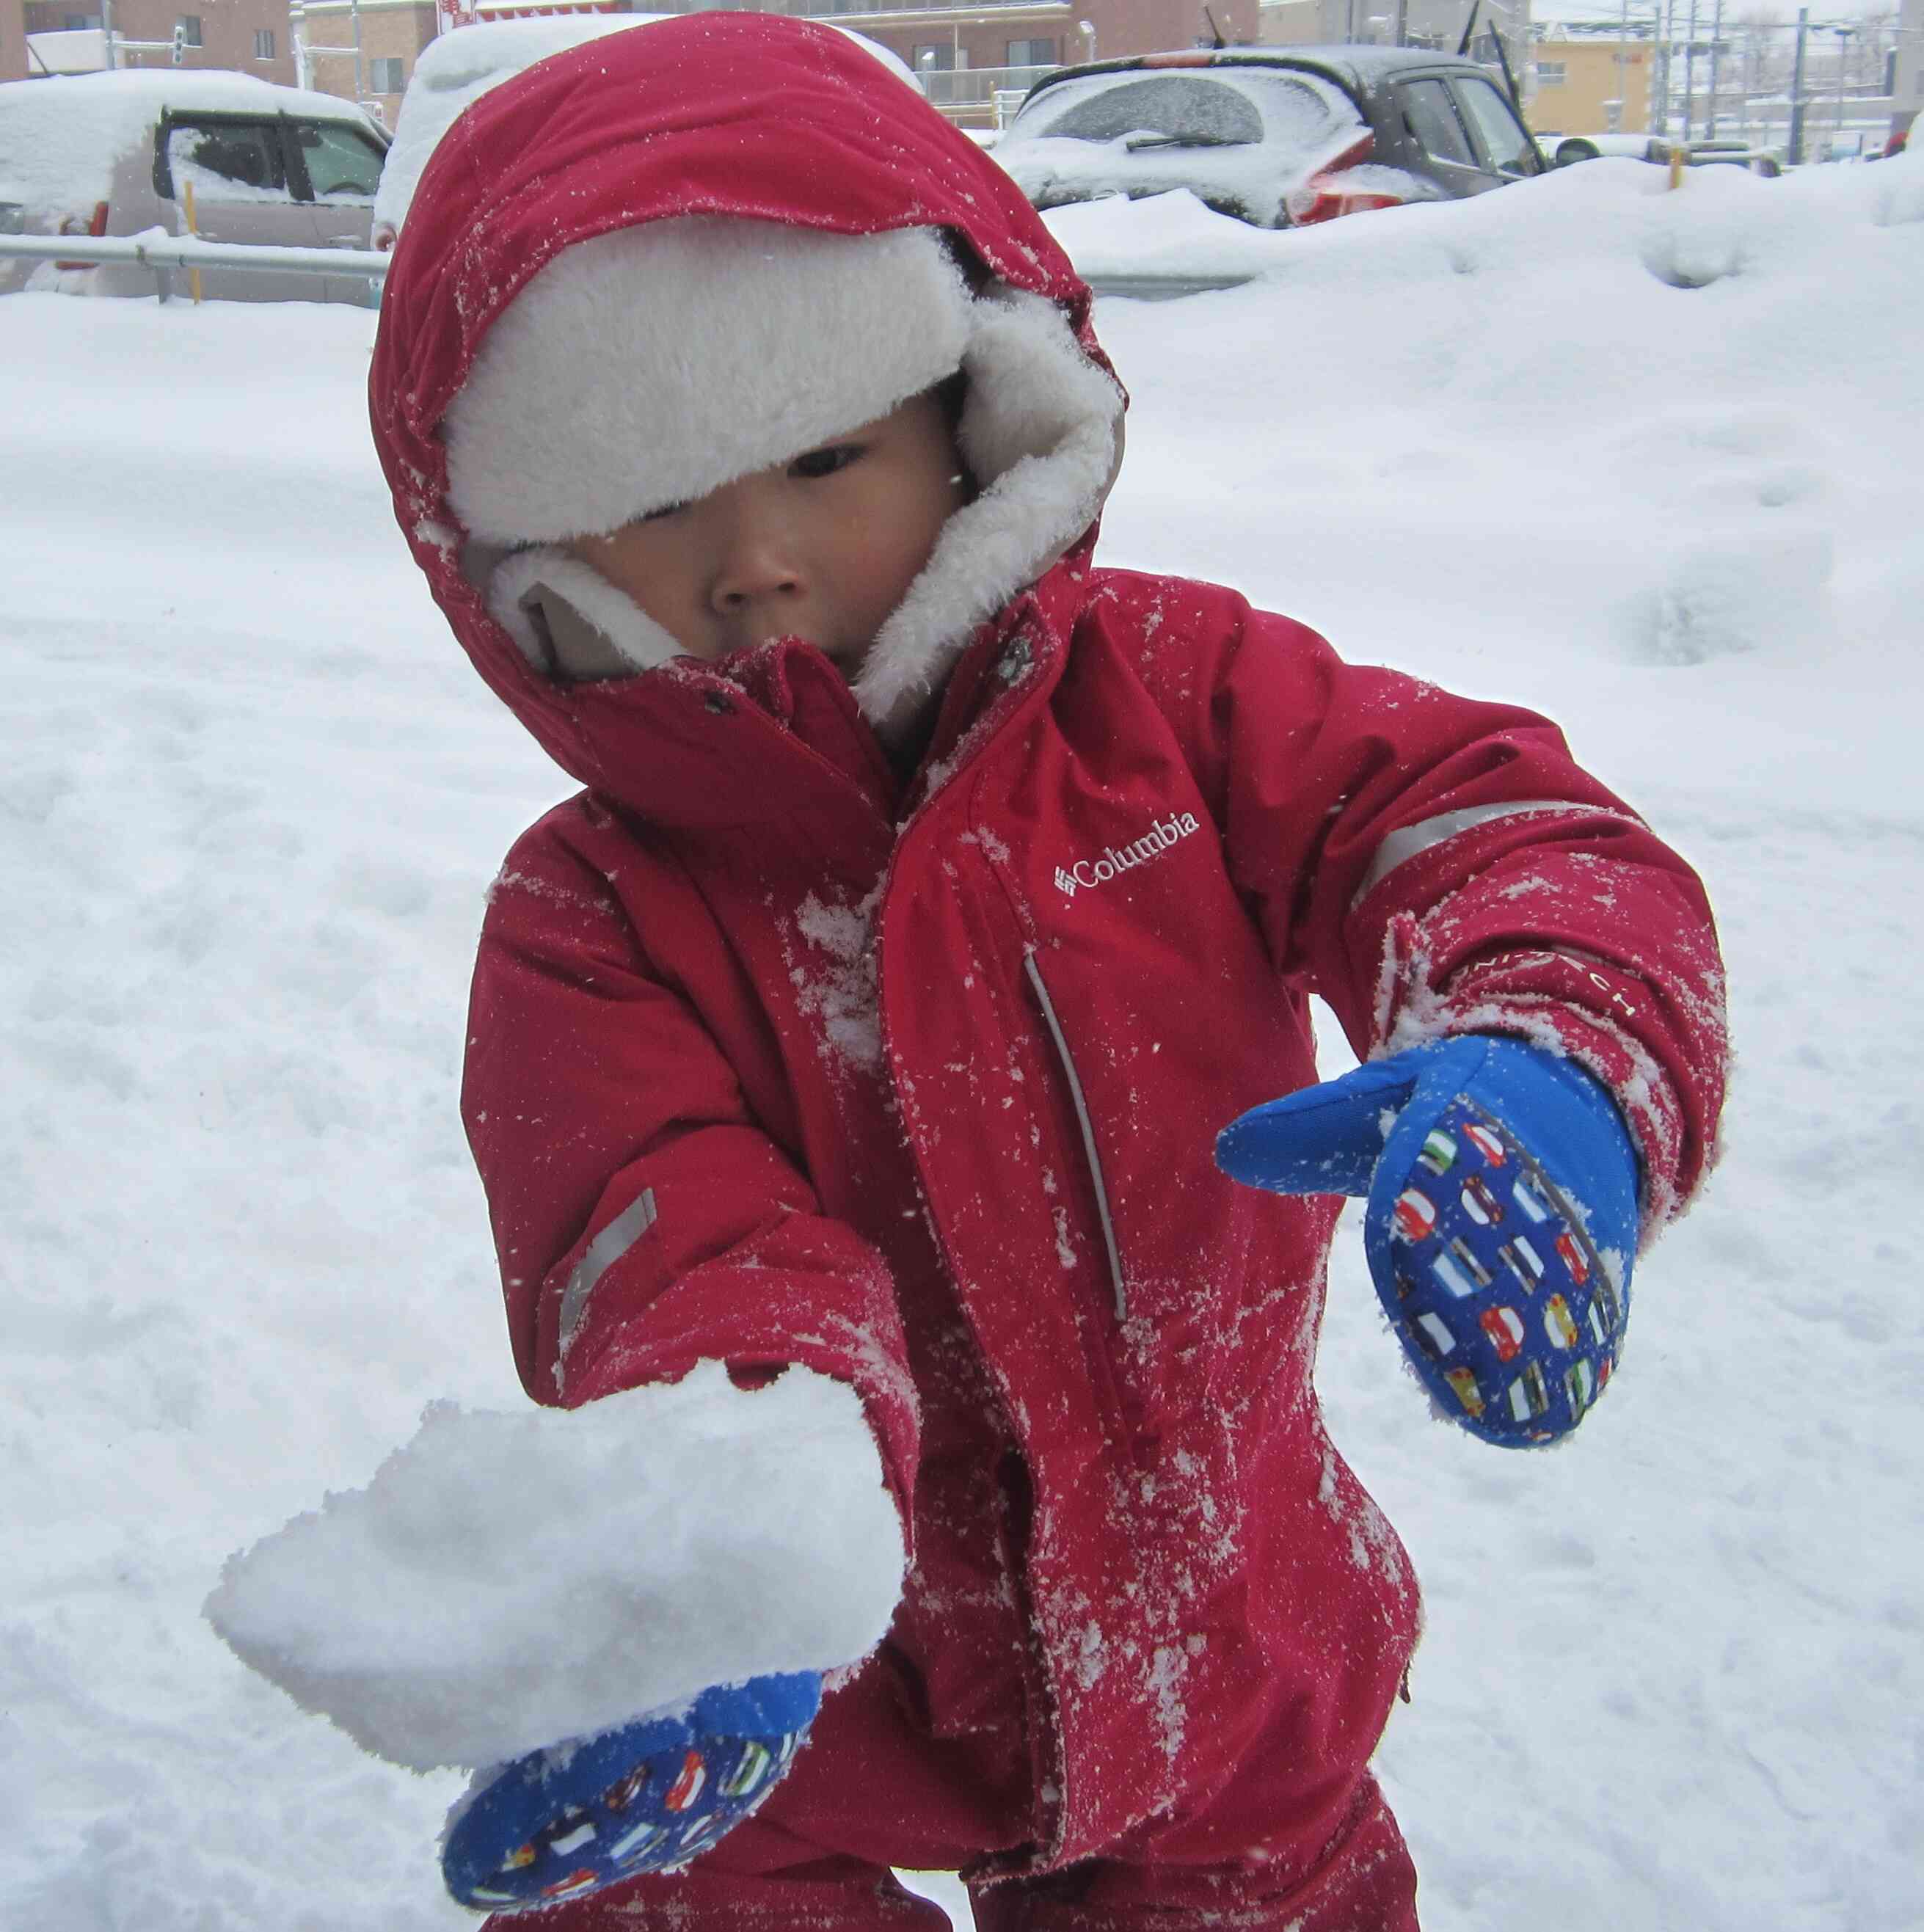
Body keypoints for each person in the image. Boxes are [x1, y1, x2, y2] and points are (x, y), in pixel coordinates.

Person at [368, 15, 1727, 1929]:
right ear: (528, 542)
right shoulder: (591, 921)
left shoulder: (1179, 709)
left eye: (824, 454)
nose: (756, 556)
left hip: (1213, 1621)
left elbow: (1472, 824)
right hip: (797, 1682)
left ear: (965, 409)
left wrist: (1552, 1050)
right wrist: (746, 1539)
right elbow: (668, 1235)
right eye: (661, 500)